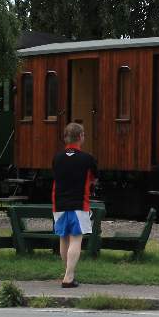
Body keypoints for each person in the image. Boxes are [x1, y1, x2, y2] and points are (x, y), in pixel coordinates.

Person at [52, 122, 97, 288]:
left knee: (63, 238)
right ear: (81, 137)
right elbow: (93, 179)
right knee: (76, 239)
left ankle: (67, 272)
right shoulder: (87, 159)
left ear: (66, 138)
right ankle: (69, 277)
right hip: (79, 203)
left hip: (59, 203)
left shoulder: (57, 158)